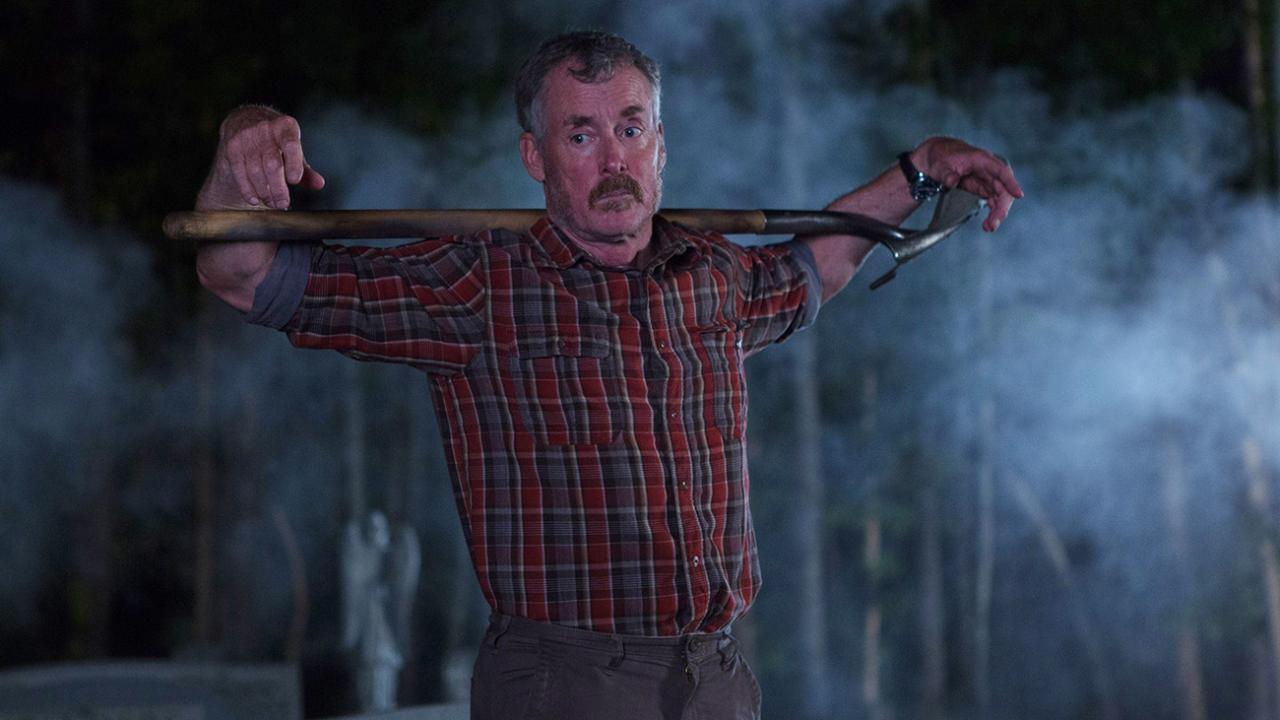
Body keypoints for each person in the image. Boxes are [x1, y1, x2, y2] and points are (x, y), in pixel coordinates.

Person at [195, 30, 1021, 720]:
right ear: (536, 156)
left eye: (631, 128)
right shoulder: (479, 285)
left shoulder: (712, 274)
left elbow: (820, 263)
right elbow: (242, 275)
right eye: (581, 136)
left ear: (661, 144)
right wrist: (241, 150)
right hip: (565, 683)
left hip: (716, 680)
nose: (614, 160)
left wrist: (919, 173)